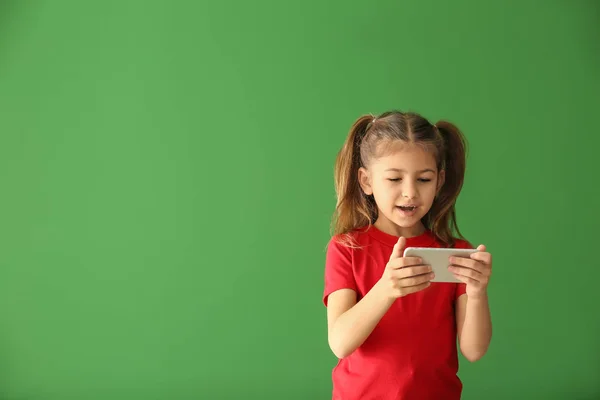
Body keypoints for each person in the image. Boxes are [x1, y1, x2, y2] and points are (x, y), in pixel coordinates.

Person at [322, 110, 493, 400]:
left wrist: (477, 293)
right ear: (366, 181)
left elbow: (474, 350)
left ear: (439, 181)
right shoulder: (346, 248)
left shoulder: (456, 253)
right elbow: (340, 343)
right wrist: (386, 289)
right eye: (394, 179)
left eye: (423, 180)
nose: (410, 192)